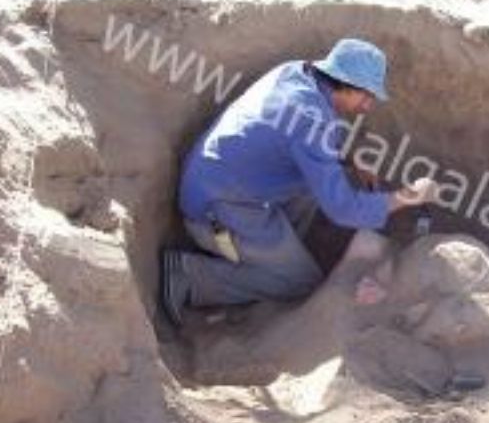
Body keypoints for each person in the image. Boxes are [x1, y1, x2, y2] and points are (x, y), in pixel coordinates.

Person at [161, 38, 437, 326]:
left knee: (318, 182)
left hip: (222, 179)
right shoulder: (310, 120)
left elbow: (299, 135)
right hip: (215, 211)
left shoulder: (295, 73)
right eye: (365, 96)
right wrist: (408, 197)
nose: (367, 106)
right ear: (343, 83)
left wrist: (350, 157)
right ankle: (189, 276)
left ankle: (275, 254)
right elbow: (343, 209)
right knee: (300, 283)